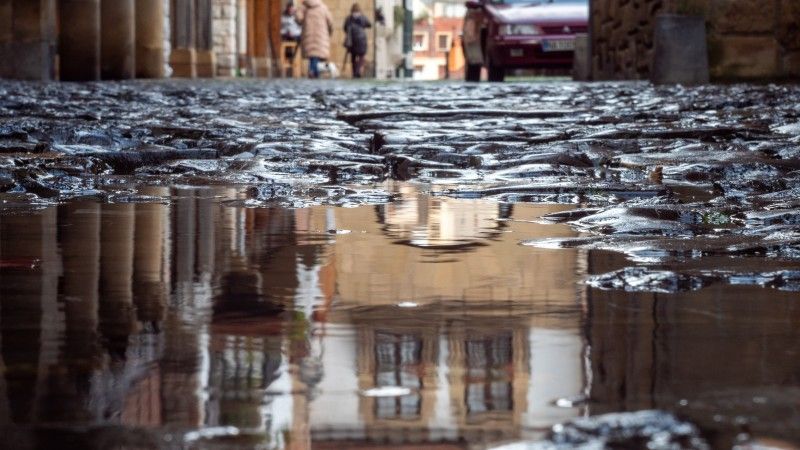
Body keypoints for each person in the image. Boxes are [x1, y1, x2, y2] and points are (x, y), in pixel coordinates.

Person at [296, 0, 333, 79]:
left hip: (308, 35)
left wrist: (298, 9)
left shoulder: (304, 7)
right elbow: (330, 22)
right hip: (321, 35)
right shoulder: (323, 7)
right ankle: (314, 71)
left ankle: (313, 71)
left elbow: (299, 19)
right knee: (316, 55)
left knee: (313, 55)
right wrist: (329, 32)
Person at [343, 3, 371, 78]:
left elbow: (345, 28)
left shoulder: (349, 18)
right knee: (361, 56)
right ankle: (358, 71)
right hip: (361, 39)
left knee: (353, 57)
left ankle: (355, 72)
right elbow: (369, 24)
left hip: (352, 40)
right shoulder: (362, 17)